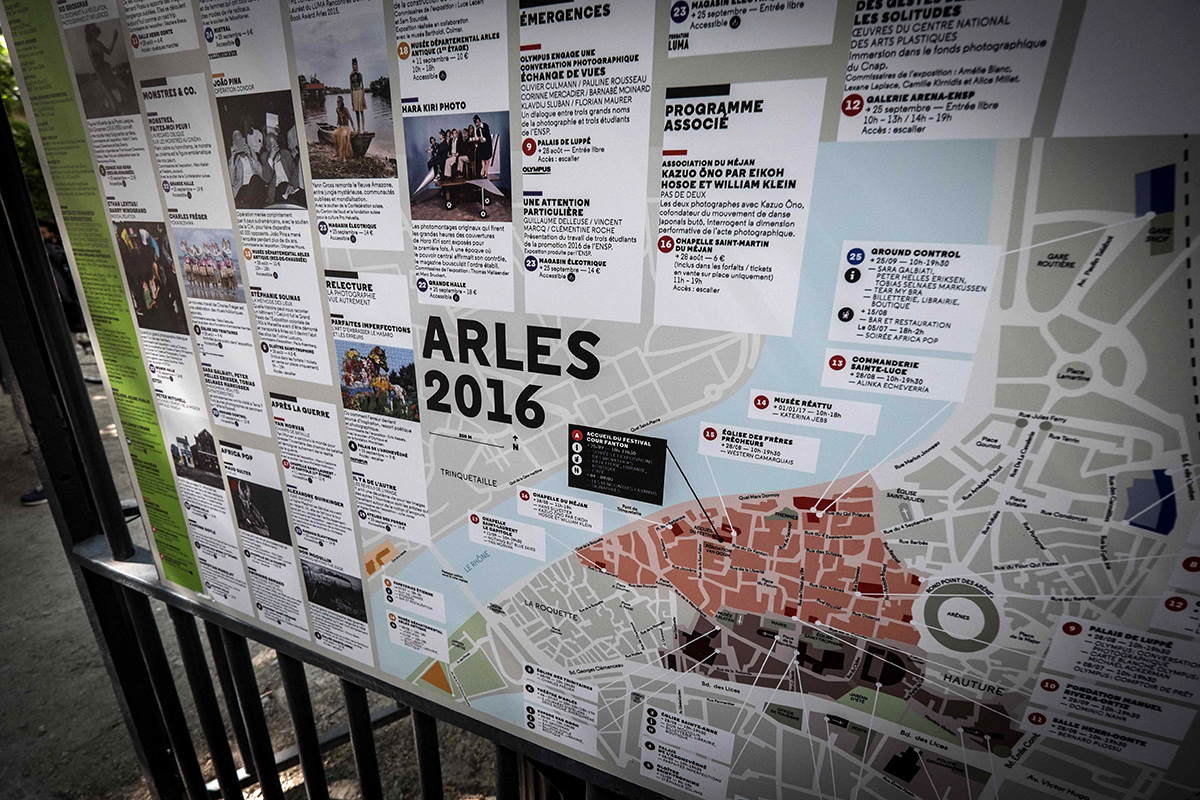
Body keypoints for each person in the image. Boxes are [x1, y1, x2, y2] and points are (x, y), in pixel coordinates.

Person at [83, 23, 121, 115]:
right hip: (101, 72)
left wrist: (114, 39)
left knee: (112, 92)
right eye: (93, 29)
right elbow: (95, 64)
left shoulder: (97, 44)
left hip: (105, 70)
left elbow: (108, 51)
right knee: (109, 95)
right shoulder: (91, 46)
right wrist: (100, 57)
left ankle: (116, 110)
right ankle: (116, 111)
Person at [332, 96, 354, 162]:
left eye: (338, 102)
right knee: (333, 134)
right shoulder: (337, 109)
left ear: (341, 102)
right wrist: (337, 123)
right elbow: (338, 117)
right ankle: (337, 152)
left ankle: (344, 157)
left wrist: (354, 129)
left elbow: (350, 119)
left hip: (346, 127)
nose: (337, 103)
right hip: (340, 127)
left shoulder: (345, 109)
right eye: (337, 102)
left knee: (343, 136)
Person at [349, 58, 366, 133]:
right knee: (356, 112)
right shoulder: (351, 75)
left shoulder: (360, 74)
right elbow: (350, 87)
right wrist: (352, 99)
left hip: (359, 92)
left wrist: (363, 97)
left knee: (361, 111)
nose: (354, 67)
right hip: (354, 93)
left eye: (355, 65)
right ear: (352, 66)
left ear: (357, 66)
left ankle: (363, 128)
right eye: (353, 65)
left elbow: (362, 85)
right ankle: (358, 128)